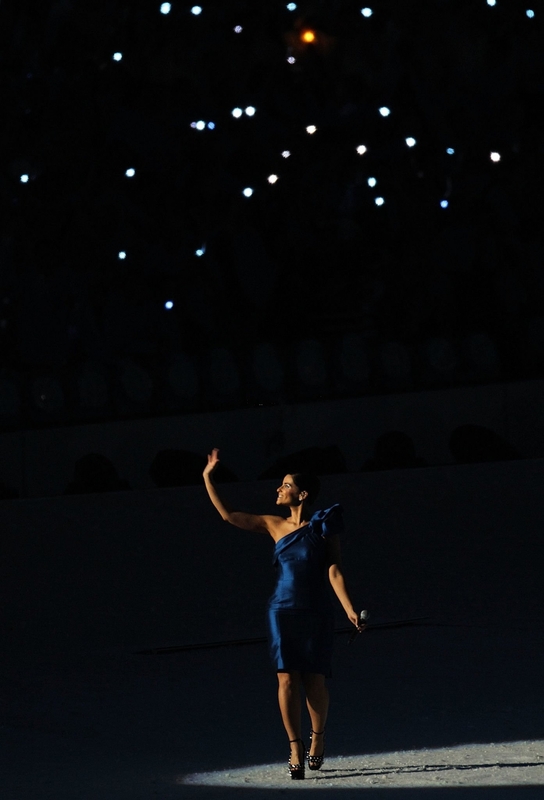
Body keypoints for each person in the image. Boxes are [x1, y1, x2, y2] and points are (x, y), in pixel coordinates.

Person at [203, 447, 364, 780]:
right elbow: (228, 515)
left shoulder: (323, 525)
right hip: (282, 609)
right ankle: (294, 748)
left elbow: (334, 569)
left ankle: (316, 739)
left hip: (316, 609)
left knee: (315, 680)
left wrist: (349, 608)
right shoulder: (273, 524)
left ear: (302, 493)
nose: (278, 489)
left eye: (285, 485)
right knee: (287, 679)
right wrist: (208, 477)